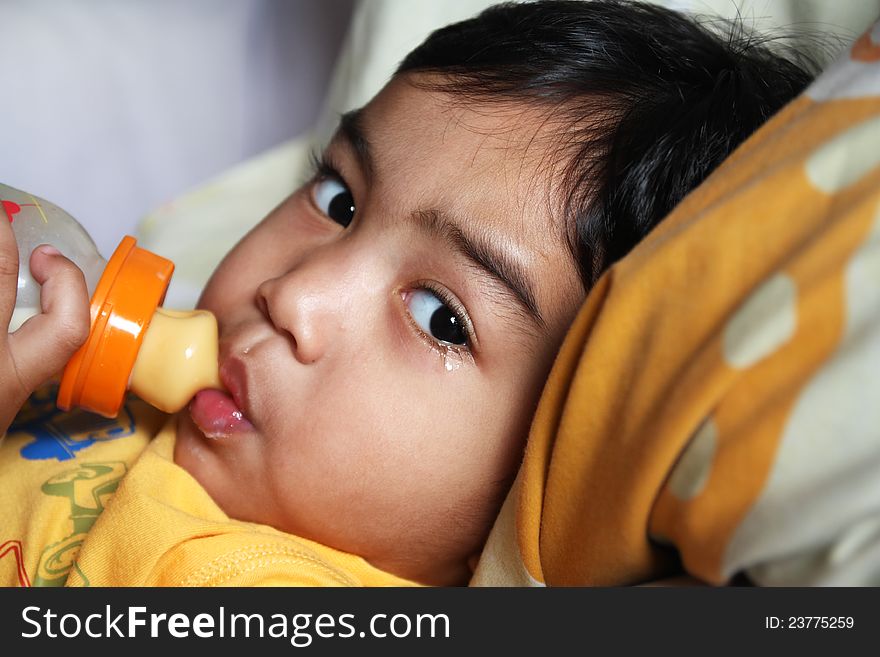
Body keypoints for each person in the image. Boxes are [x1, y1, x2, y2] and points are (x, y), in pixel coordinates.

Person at [0, 0, 816, 587]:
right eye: (339, 202)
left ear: (551, 481)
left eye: (441, 318)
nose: (295, 295)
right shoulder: (105, 391)